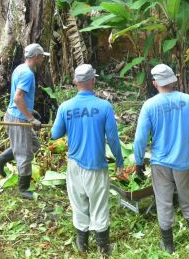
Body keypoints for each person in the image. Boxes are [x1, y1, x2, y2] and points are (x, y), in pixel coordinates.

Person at [134, 64, 189, 254]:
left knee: (163, 201)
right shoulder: (188, 101)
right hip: (183, 161)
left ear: (154, 83)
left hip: (160, 162)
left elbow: (140, 138)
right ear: (173, 81)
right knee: (188, 197)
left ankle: (168, 245)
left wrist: (138, 161)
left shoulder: (150, 105)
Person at [51, 64, 124, 256]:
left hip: (74, 164)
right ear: (93, 81)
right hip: (96, 165)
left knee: (79, 204)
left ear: (76, 82)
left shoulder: (65, 107)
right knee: (99, 205)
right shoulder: (104, 106)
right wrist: (119, 161)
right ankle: (103, 249)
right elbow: (113, 138)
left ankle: (82, 246)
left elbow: (55, 134)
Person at [0, 43, 49, 199]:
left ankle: (1, 159)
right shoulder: (27, 74)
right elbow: (17, 98)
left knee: (34, 145)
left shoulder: (20, 68)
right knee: (24, 154)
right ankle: (23, 189)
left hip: (19, 115)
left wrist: (30, 111)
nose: (43, 59)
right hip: (18, 119)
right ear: (36, 57)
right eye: (42, 57)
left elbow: (19, 97)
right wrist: (30, 118)